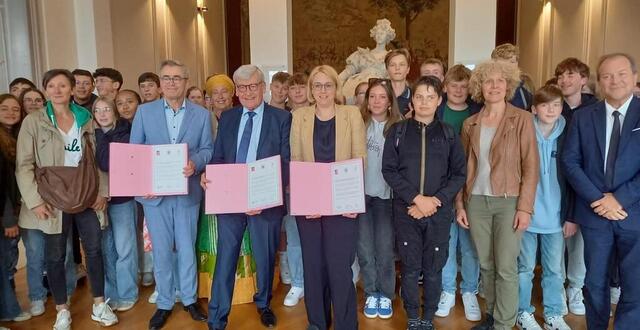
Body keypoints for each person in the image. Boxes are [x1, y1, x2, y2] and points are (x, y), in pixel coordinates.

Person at [16, 69, 117, 329]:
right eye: (52, 86)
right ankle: (62, 309)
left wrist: (102, 191)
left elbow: (97, 159)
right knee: (56, 255)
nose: (57, 90)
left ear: (72, 89)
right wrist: (35, 201)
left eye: (63, 85)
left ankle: (98, 304)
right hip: (52, 197)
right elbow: (24, 165)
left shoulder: (86, 118)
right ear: (46, 90)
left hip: (85, 193)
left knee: (94, 250)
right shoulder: (34, 121)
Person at [203, 64, 291, 330]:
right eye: (242, 87)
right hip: (230, 201)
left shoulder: (281, 118)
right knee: (225, 258)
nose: (248, 92)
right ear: (236, 92)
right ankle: (217, 317)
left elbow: (285, 163)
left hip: (265, 203)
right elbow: (218, 157)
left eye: (253, 85)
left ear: (263, 87)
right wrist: (208, 176)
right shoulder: (227, 118)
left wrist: (262, 198)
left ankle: (263, 304)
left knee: (264, 257)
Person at [456, 60, 539, 330]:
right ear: (480, 86)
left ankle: (504, 324)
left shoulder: (522, 118)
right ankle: (492, 315)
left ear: (508, 85)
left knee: (505, 266)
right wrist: (460, 204)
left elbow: (531, 166)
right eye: (488, 81)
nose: (494, 86)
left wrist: (525, 208)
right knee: (487, 265)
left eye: (499, 81)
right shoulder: (471, 123)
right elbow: (462, 168)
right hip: (476, 202)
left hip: (509, 202)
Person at [130, 60, 212, 330]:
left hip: (187, 193)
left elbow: (208, 149)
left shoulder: (201, 114)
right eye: (166, 78)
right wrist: (143, 184)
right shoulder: (144, 112)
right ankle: (164, 302)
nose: (171, 83)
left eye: (177, 78)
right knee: (162, 251)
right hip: (155, 196)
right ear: (160, 82)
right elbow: (136, 153)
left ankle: (189, 299)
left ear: (186, 81)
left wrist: (195, 163)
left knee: (187, 249)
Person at [561, 53, 640, 330]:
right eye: (606, 76)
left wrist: (618, 199)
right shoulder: (583, 117)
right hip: (594, 214)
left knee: (634, 284)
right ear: (598, 81)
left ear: (634, 76)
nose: (614, 80)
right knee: (594, 282)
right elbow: (570, 162)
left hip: (634, 212)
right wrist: (598, 198)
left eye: (621, 74)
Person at [290, 64, 366, 330]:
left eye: (327, 85)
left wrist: (354, 200)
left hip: (342, 204)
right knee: (313, 266)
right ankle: (317, 323)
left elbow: (359, 158)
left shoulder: (351, 113)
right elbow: (296, 161)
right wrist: (306, 201)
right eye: (317, 85)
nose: (322, 90)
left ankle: (346, 324)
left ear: (336, 88)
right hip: (310, 205)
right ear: (311, 89)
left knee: (339, 267)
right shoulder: (299, 116)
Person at [516, 85, 572, 330]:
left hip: (556, 217)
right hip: (528, 214)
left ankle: (553, 314)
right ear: (534, 109)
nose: (551, 110)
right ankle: (522, 311)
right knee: (524, 268)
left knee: (553, 270)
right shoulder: (523, 132)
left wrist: (570, 215)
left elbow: (573, 178)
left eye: (557, 105)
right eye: (545, 105)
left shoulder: (568, 134)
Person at [434, 64, 482, 322]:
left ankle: (470, 290)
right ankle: (448, 290)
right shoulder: (437, 112)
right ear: (445, 87)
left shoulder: (478, 113)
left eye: (464, 87)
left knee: (470, 243)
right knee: (446, 242)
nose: (459, 90)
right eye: (454, 86)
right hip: (441, 187)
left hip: (472, 186)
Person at [553, 57, 597, 316]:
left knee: (578, 246)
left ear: (583, 79)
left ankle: (575, 288)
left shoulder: (595, 110)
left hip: (583, 184)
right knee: (556, 243)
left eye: (570, 75)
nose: (564, 80)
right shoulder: (552, 108)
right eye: (560, 76)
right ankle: (557, 288)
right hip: (557, 182)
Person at [357, 78, 402, 320]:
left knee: (385, 249)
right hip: (360, 196)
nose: (376, 100)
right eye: (372, 96)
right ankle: (371, 292)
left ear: (389, 102)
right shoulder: (358, 123)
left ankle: (386, 293)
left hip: (386, 197)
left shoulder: (399, 126)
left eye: (382, 97)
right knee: (364, 248)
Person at [93, 96, 140, 312]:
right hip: (97, 201)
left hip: (123, 198)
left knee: (125, 248)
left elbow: (105, 162)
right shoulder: (90, 135)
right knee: (106, 249)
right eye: (98, 110)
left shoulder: (126, 133)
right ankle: (111, 294)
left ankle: (128, 292)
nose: (102, 114)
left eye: (107, 109)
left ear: (115, 112)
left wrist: (106, 141)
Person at [338, 19, 395, 100]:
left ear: (387, 36)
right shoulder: (362, 55)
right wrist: (335, 80)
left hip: (379, 90)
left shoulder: (391, 57)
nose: (379, 35)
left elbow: (394, 77)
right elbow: (347, 72)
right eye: (377, 33)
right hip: (357, 87)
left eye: (382, 33)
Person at [0, 95, 22, 290]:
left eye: (15, 109)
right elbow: (2, 185)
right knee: (6, 262)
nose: (10, 113)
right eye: (4, 108)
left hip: (15, 207)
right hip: (6, 211)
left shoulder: (16, 136)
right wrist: (8, 219)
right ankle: (9, 308)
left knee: (10, 258)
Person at [491, 43, 534, 111]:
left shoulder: (526, 85)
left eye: (512, 62)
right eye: (504, 63)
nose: (509, 67)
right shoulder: (488, 86)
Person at [204, 74, 235, 139]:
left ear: (232, 93)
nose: (220, 96)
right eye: (215, 93)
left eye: (224, 92)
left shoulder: (241, 118)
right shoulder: (204, 120)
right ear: (211, 97)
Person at [386, 48, 412, 116]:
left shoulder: (415, 96)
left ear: (408, 69)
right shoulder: (378, 95)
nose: (397, 68)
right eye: (392, 65)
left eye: (402, 64)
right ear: (387, 70)